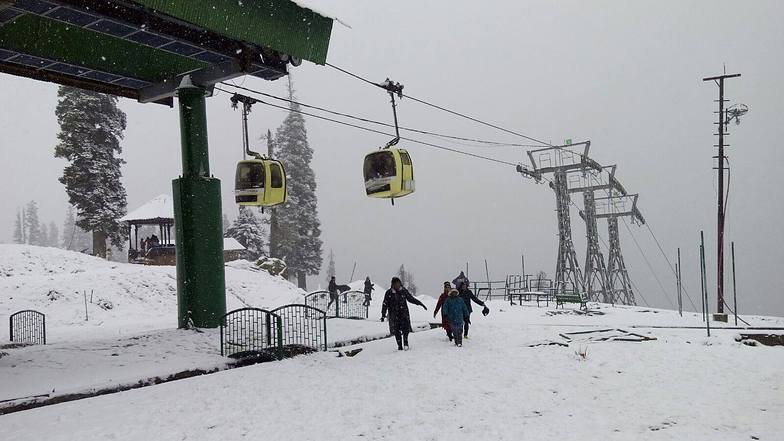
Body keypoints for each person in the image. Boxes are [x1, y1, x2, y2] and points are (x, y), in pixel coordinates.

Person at [381, 276, 427, 350]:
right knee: (396, 331)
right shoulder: (389, 293)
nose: (397, 285)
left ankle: (406, 342)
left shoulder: (403, 291)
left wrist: (420, 303)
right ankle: (399, 346)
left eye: (398, 283)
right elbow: (385, 304)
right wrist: (383, 314)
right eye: (395, 284)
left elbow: (410, 298)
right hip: (394, 315)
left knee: (405, 329)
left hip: (404, 314)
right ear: (392, 284)